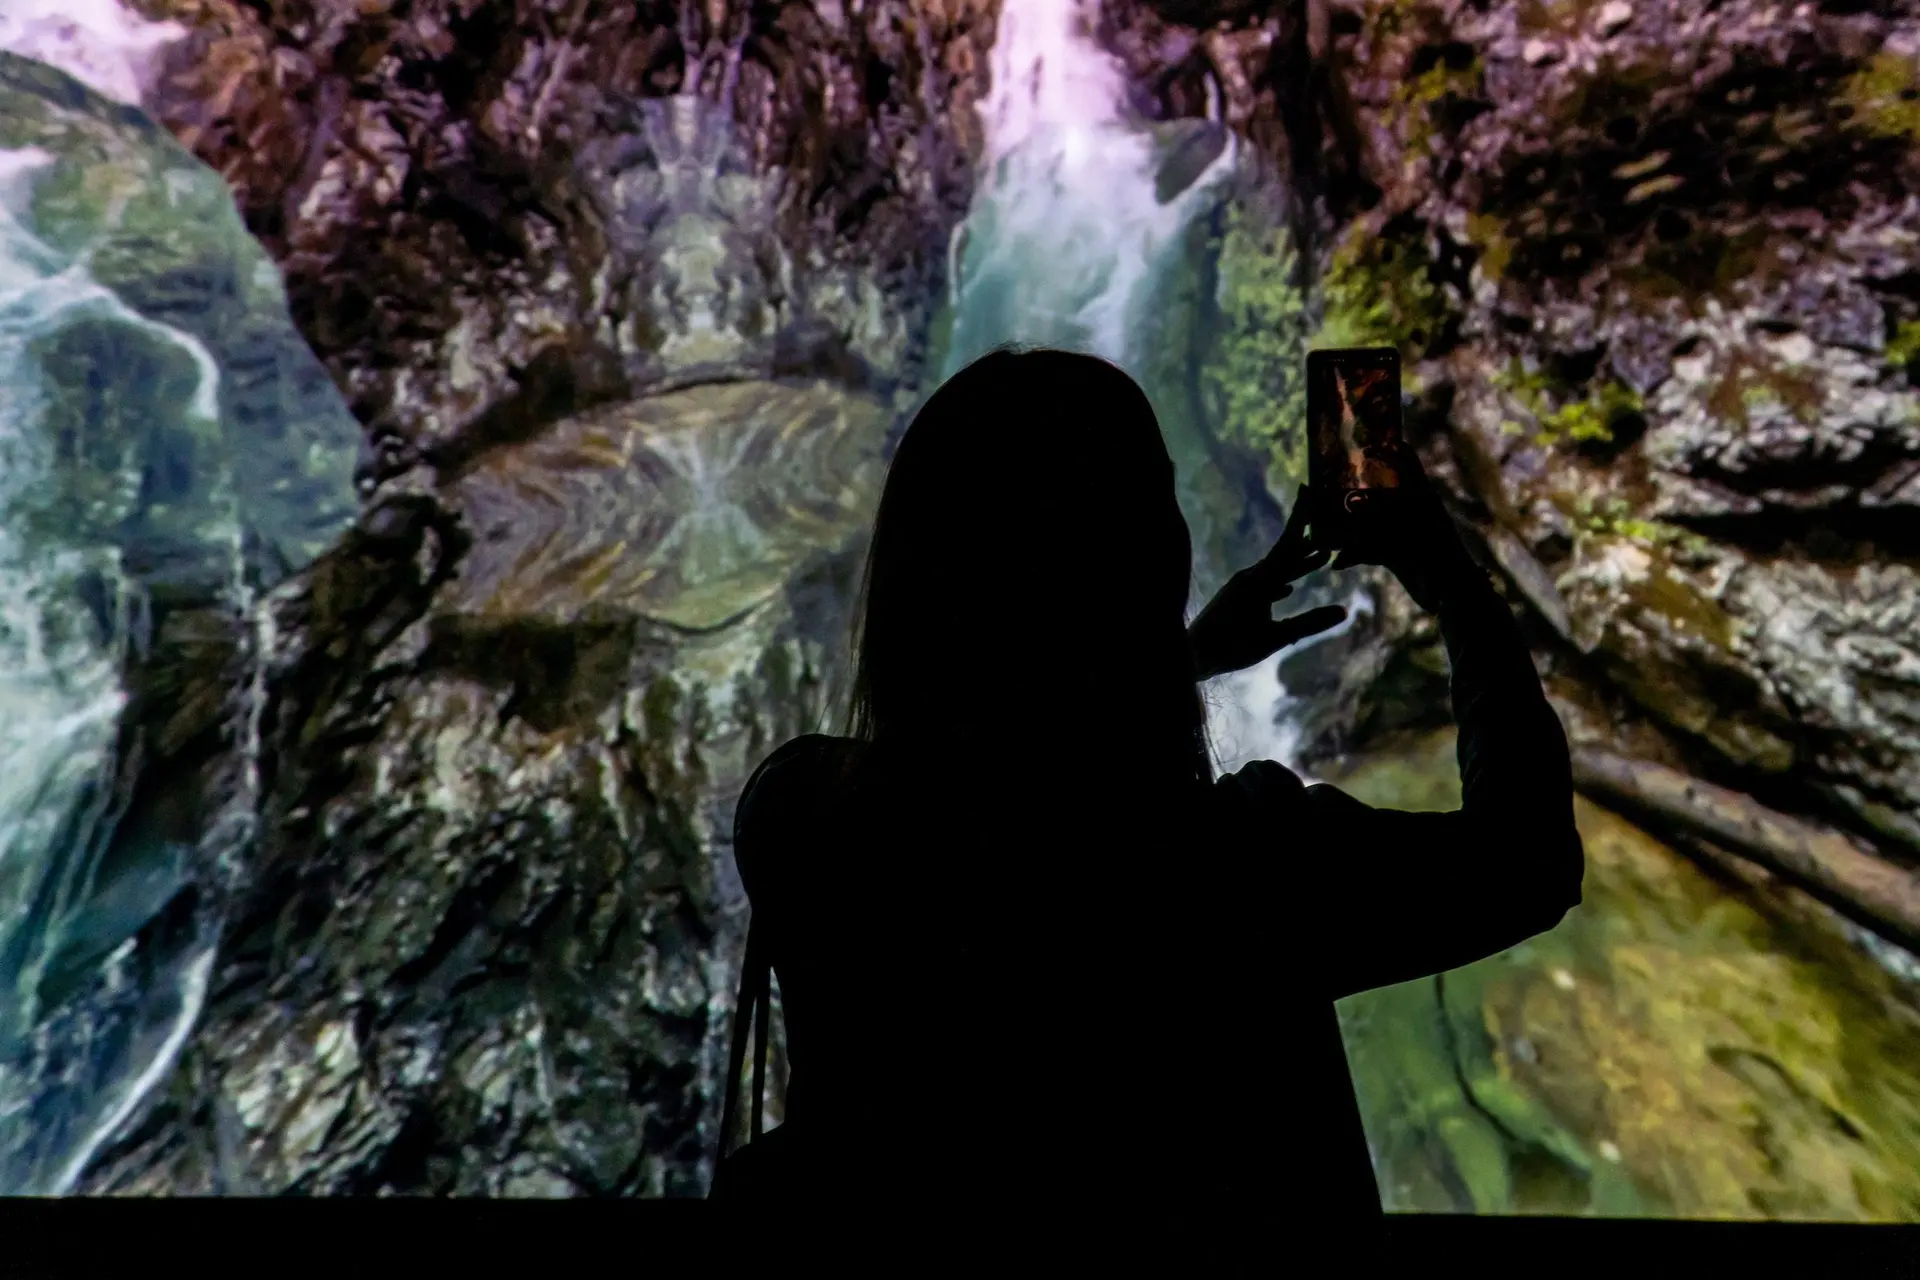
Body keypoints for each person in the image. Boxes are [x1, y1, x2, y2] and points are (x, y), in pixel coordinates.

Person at [711, 347, 1584, 1261]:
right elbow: (1527, 862)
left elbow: (1014, 787)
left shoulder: (805, 817)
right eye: (1159, 497)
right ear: (1143, 564)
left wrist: (1183, 661)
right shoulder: (1243, 867)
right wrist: (1452, 582)